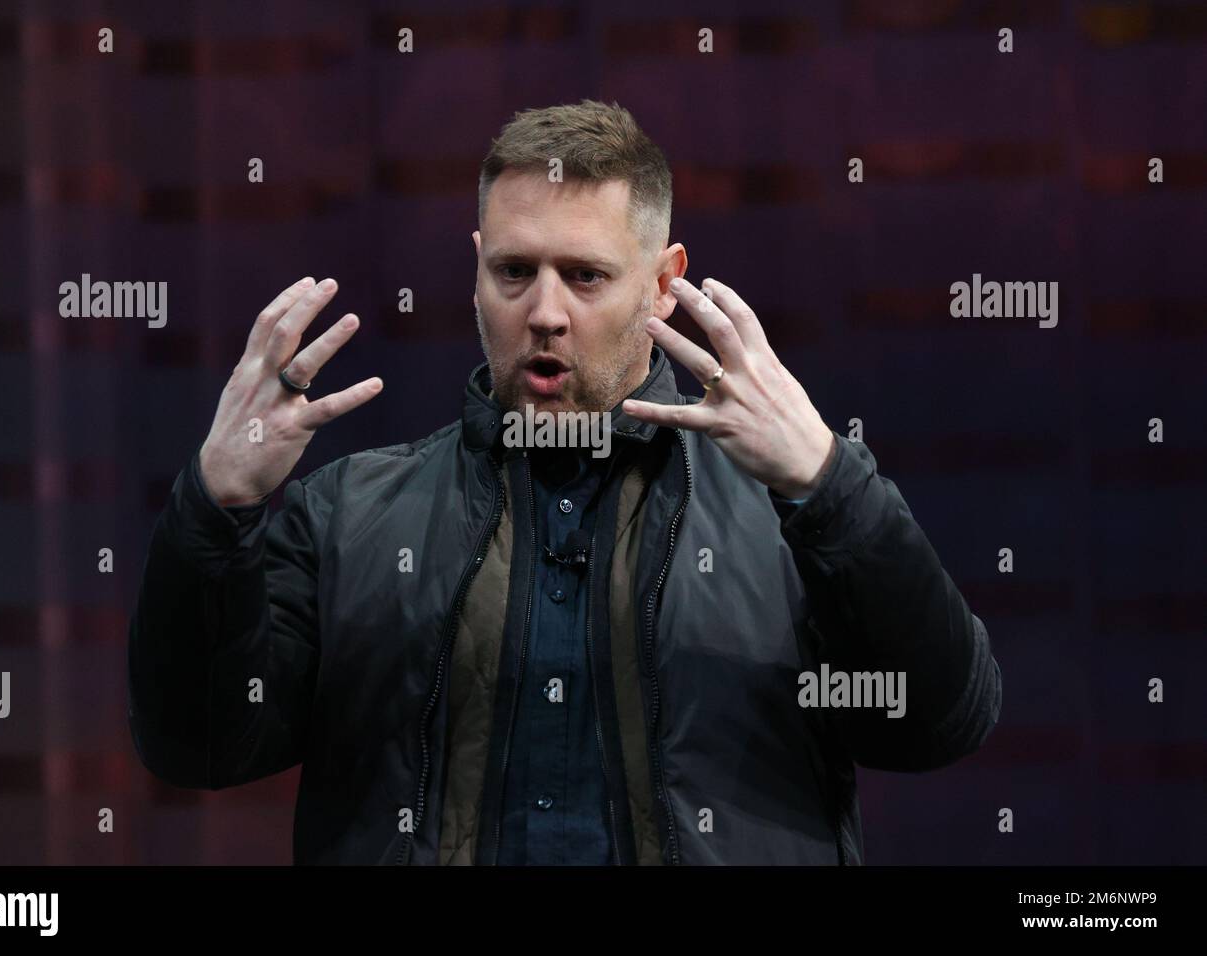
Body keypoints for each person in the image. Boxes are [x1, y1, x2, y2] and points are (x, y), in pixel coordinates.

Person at [127, 99, 1001, 865]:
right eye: (515, 271)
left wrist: (830, 486)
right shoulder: (346, 515)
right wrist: (218, 508)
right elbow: (198, 748)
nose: (545, 311)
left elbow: (935, 725)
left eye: (585, 275)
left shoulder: (791, 513)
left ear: (663, 285)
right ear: (475, 273)